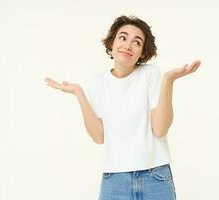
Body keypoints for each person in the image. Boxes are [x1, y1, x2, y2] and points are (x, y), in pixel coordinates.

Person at [45, 15, 200, 200]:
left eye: (137, 42)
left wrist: (168, 81)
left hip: (155, 177)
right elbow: (98, 136)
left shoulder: (150, 75)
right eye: (123, 37)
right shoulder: (98, 82)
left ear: (142, 52)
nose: (128, 45)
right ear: (112, 43)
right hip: (114, 180)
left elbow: (160, 129)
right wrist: (79, 94)